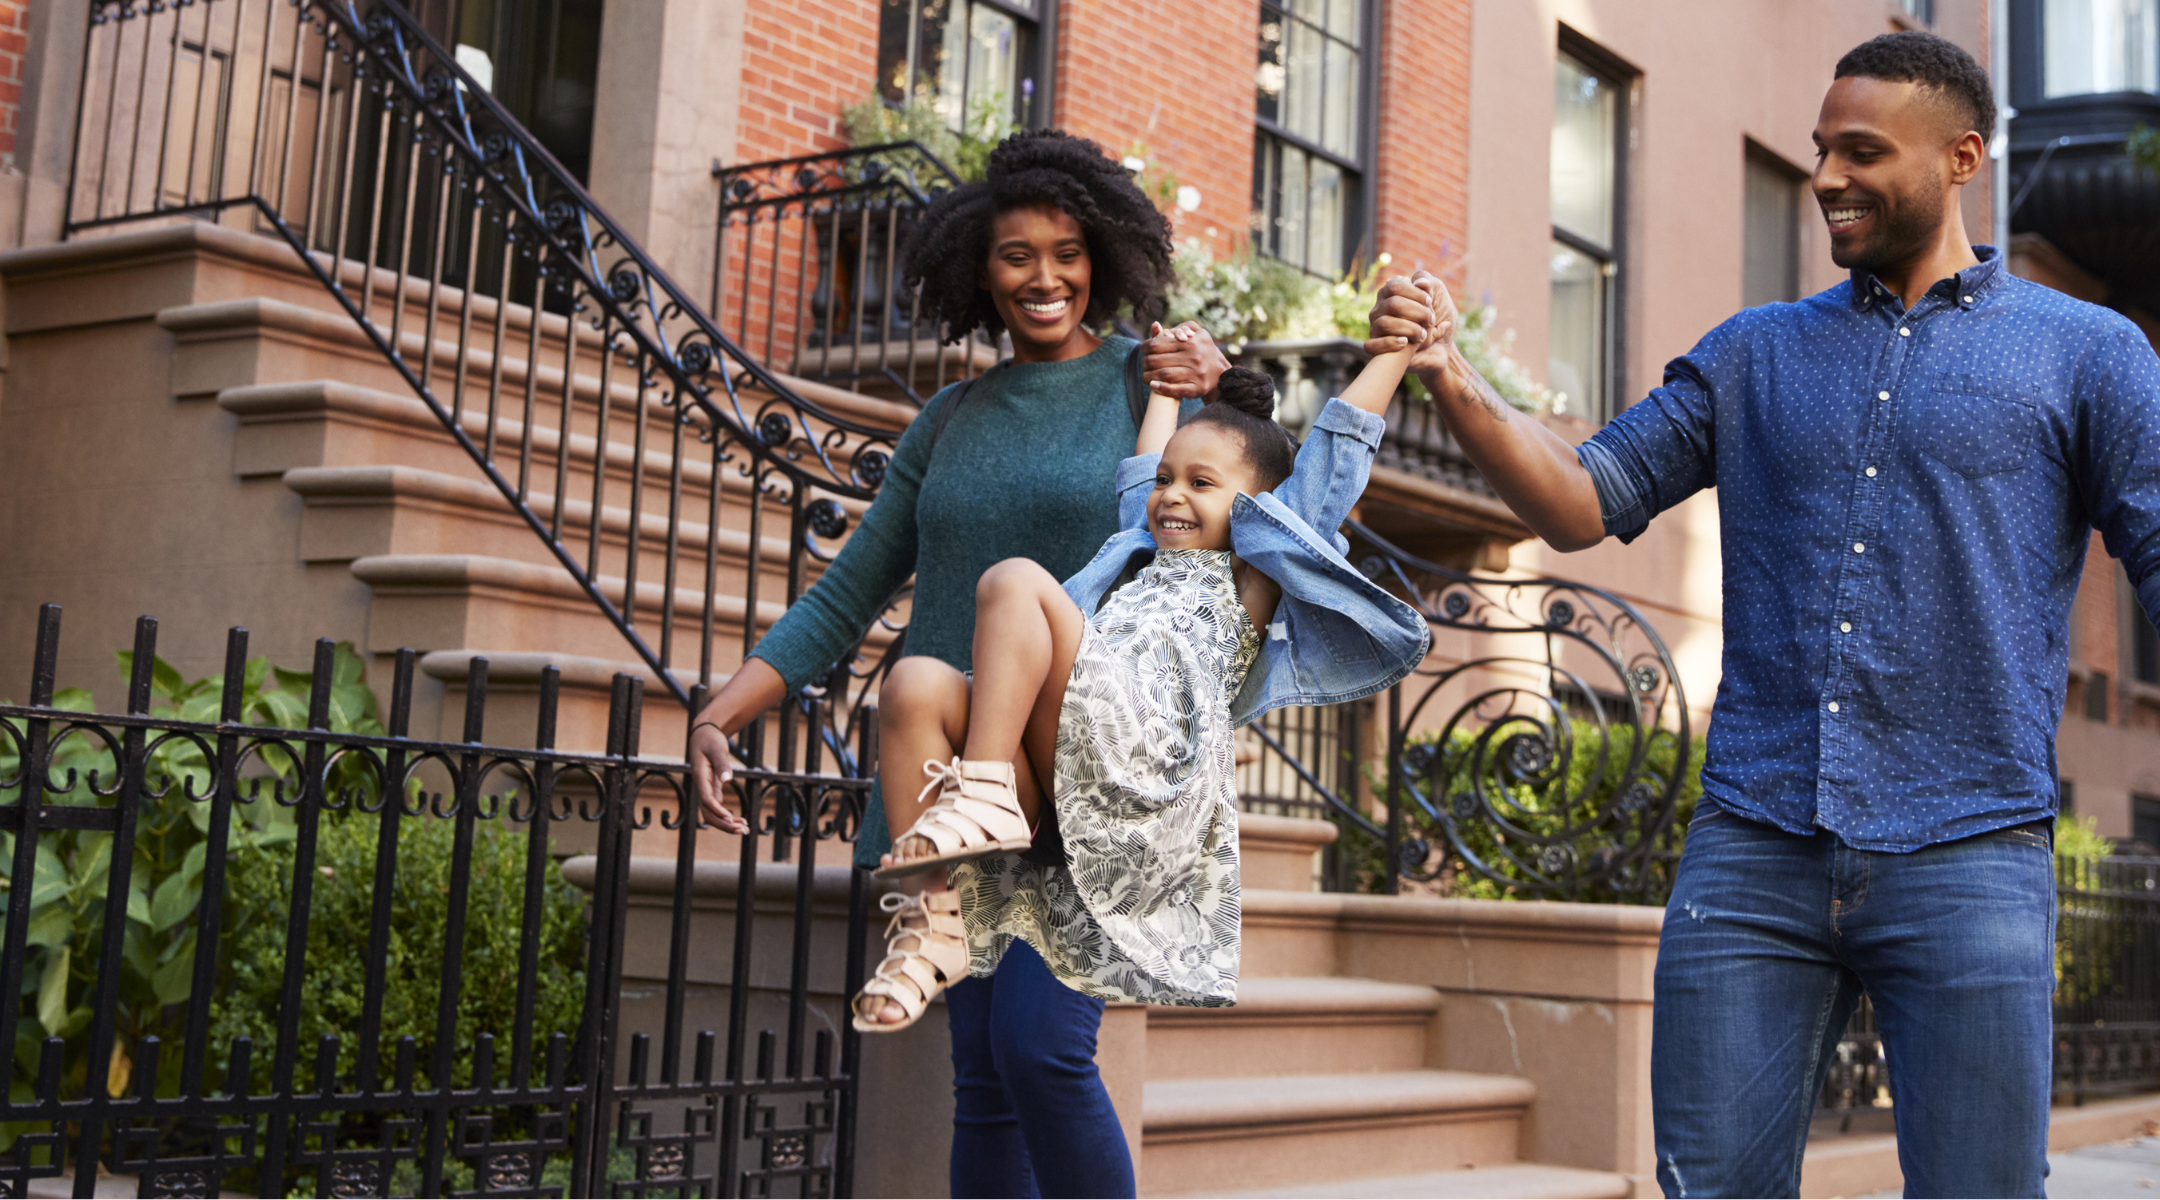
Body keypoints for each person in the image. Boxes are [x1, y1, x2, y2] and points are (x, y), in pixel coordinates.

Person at [1364, 30, 2160, 1199]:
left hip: (1973, 846)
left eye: (1861, 150)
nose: (1829, 176)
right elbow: (1583, 499)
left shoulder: (2089, 352)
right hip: (1755, 848)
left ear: (1962, 160)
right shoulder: (1754, 354)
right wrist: (1450, 373)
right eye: (1821, 150)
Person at [688, 129, 1227, 1200]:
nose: (1045, 277)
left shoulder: (1147, 385)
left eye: (1068, 252)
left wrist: (1222, 389)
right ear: (981, 271)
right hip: (954, 779)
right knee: (983, 1077)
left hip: (1084, 769)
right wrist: (722, 712)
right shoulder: (951, 417)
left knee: (1043, 1052)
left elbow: (1233, 513)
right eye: (1018, 254)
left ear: (1103, 259)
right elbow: (850, 591)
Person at [843, 353, 1427, 1020]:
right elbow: (1143, 470)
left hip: (1145, 773)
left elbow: (1329, 466)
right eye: (1168, 481)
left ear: (1259, 508)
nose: (1172, 494)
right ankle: (933, 927)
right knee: (913, 684)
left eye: (1201, 483)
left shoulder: (1252, 571)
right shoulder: (1132, 554)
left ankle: (981, 792)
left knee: (1013, 581)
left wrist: (1392, 355)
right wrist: (1164, 391)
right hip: (1071, 764)